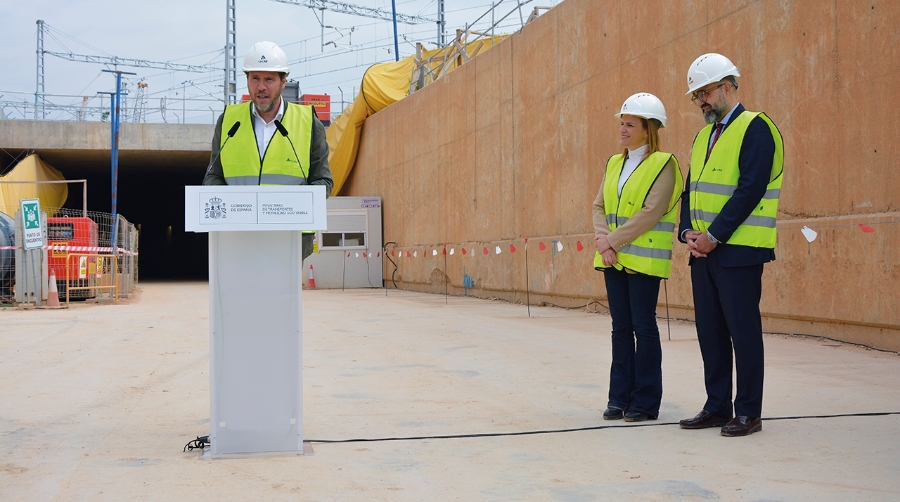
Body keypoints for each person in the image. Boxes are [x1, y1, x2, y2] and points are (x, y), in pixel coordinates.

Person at [677, 53, 784, 437]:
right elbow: (691, 192)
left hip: (738, 252)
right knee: (711, 332)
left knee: (743, 332)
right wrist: (688, 232)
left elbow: (750, 189)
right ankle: (717, 406)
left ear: (728, 86)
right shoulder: (703, 136)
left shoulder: (755, 127)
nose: (701, 101)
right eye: (696, 96)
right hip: (703, 252)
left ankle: (748, 411)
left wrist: (713, 236)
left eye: (704, 92)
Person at [592, 93, 681, 423]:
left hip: (642, 261)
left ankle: (645, 402)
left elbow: (651, 212)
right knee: (620, 328)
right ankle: (619, 398)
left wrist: (610, 241)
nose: (623, 129)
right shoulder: (615, 163)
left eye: (630, 124)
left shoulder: (664, 164)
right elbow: (598, 205)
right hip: (612, 259)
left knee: (643, 328)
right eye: (622, 123)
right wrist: (605, 244)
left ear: (649, 129)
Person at [203, 41, 333, 260]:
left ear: (283, 82)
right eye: (255, 78)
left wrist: (286, 207)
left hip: (289, 241)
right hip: (237, 240)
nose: (261, 87)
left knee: (282, 296)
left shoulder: (309, 124)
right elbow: (213, 177)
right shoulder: (228, 122)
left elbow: (323, 182)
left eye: (269, 79)